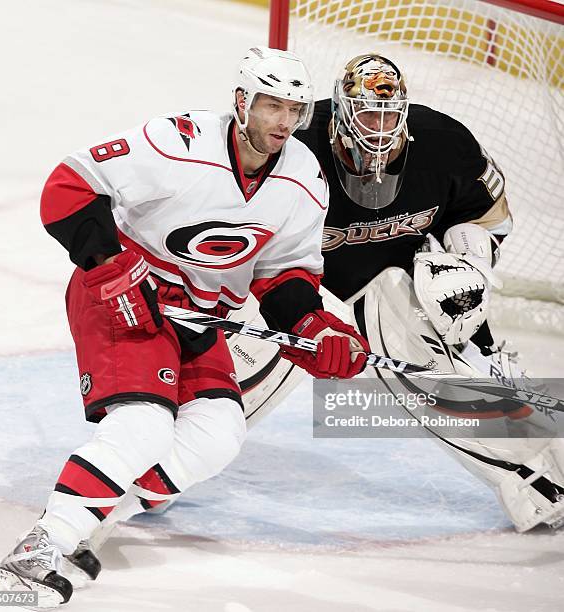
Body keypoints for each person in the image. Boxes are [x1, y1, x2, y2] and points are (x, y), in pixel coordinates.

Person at [61, 52, 564, 584]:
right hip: (282, 280)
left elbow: (489, 218)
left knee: (430, 358)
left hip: (393, 274)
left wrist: (466, 266)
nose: (379, 128)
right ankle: (121, 493)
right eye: (367, 115)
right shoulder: (295, 149)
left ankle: (534, 479)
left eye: (390, 116)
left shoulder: (444, 143)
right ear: (341, 113)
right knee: (237, 393)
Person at [0, 46, 370, 607]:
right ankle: (40, 547)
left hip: (200, 315)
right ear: (242, 101)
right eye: (272, 106)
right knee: (144, 424)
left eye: (295, 110)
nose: (285, 123)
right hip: (123, 294)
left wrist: (312, 327)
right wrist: (112, 268)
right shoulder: (177, 143)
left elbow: (285, 272)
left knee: (218, 434)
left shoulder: (303, 177)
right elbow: (68, 188)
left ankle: (95, 520)